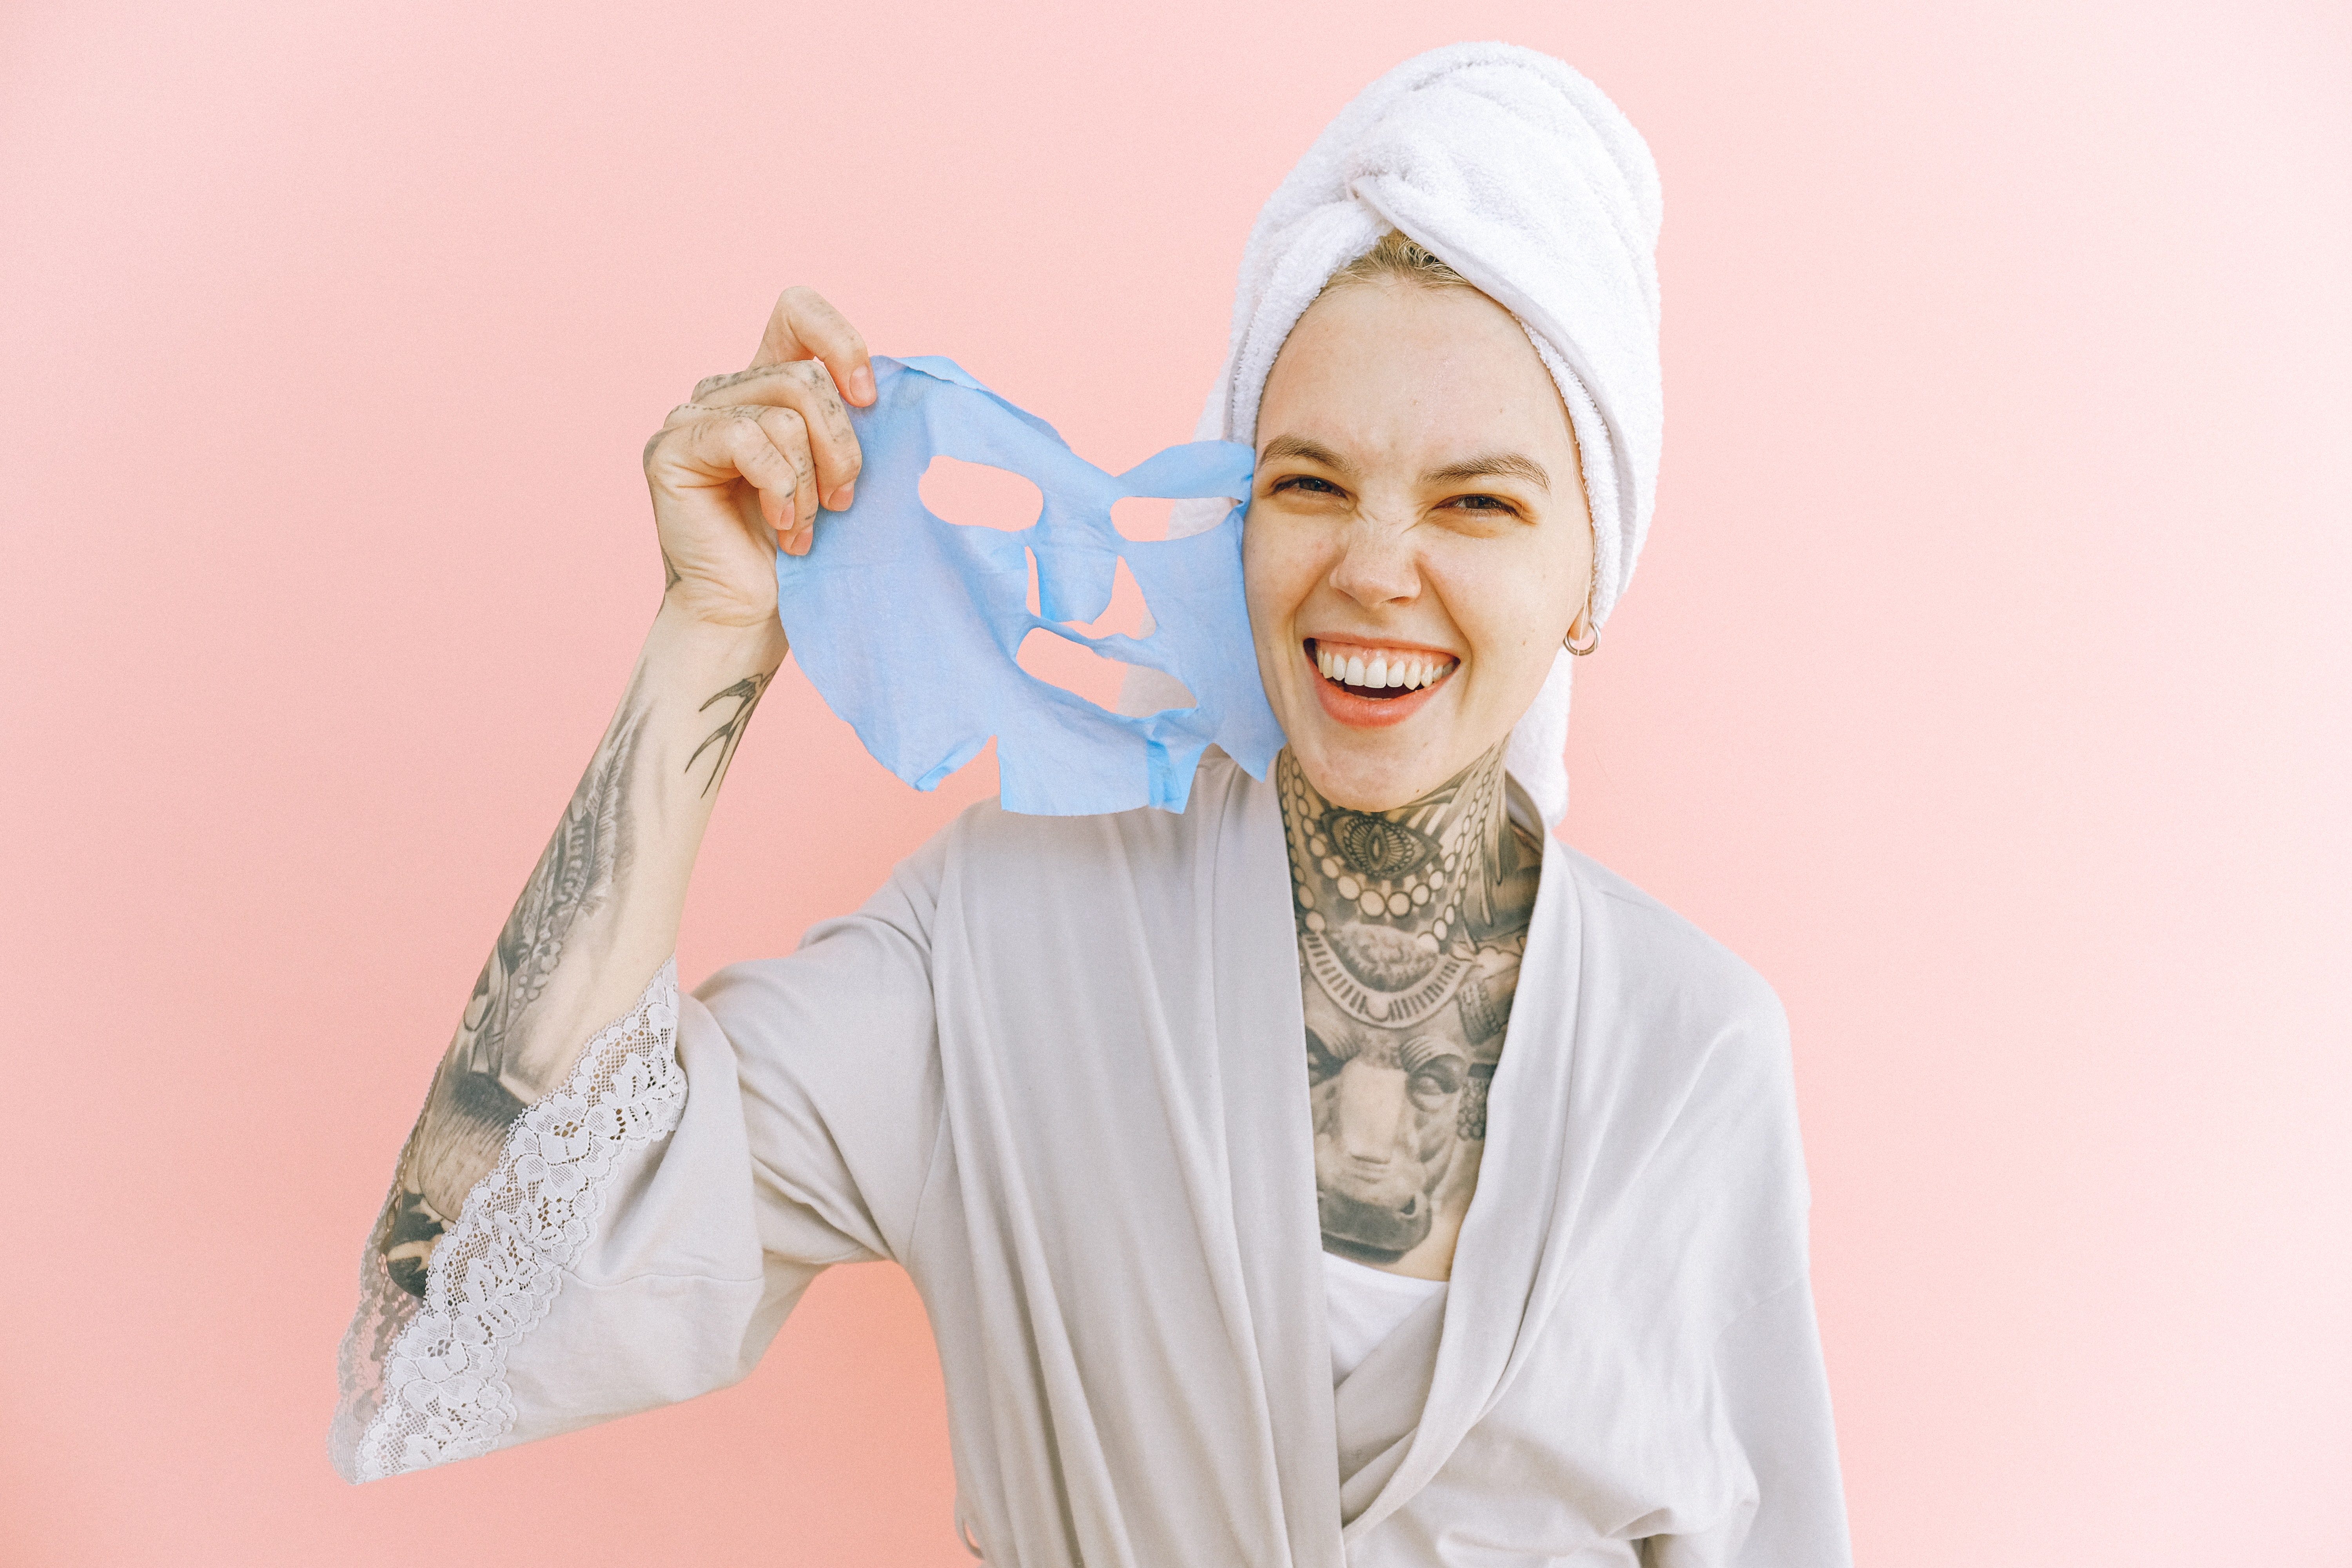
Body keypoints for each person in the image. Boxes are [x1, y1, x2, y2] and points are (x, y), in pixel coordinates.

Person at [334, 43, 1852, 1568]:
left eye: (1479, 502)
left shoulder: (1697, 1055)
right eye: (1309, 483)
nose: (1377, 568)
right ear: (1231, 514)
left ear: (1593, 568)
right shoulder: (999, 933)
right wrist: (709, 635)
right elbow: (476, 1285)